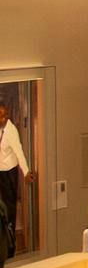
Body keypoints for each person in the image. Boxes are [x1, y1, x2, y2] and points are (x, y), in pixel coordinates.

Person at [0, 103, 33, 258]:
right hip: (0, 170)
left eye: (4, 116)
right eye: (0, 116)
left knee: (10, 207)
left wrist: (26, 172)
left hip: (9, 172)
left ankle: (10, 243)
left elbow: (19, 152)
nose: (3, 119)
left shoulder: (11, 131)